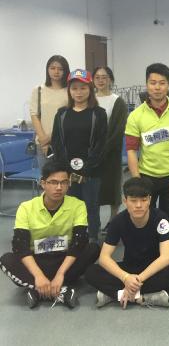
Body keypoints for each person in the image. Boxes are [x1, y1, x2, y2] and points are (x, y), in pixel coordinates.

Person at [0, 161, 100, 309]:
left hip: (64, 260)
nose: (59, 187)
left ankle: (39, 290)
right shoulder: (26, 208)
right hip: (37, 260)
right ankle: (58, 290)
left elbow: (79, 242)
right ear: (43, 183)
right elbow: (20, 246)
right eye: (53, 182)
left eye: (64, 182)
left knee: (93, 248)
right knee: (6, 259)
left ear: (69, 184)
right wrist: (38, 275)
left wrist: (60, 274)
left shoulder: (78, 205)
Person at [125, 63, 169, 258]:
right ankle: (150, 249)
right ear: (147, 84)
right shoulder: (136, 116)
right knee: (143, 216)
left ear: (168, 85)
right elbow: (131, 150)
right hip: (146, 175)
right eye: (153, 83)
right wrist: (137, 180)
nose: (157, 87)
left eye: (162, 83)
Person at [85, 177, 169, 309]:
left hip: (153, 270)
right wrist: (126, 278)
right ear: (125, 201)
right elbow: (104, 258)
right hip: (129, 268)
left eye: (143, 200)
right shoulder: (118, 221)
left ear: (150, 200)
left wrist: (137, 280)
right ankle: (143, 297)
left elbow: (166, 258)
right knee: (91, 271)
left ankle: (116, 295)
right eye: (133, 201)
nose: (138, 205)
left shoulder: (160, 219)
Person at [51, 69, 107, 243]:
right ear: (69, 90)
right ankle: (74, 236)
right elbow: (57, 142)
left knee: (91, 205)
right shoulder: (62, 114)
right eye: (74, 88)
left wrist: (86, 168)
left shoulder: (98, 113)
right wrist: (66, 168)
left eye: (83, 88)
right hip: (67, 171)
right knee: (69, 205)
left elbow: (101, 143)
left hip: (91, 171)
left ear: (90, 89)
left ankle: (93, 237)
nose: (79, 92)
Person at [93, 66, 128, 232]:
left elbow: (118, 129)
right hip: (91, 155)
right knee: (93, 190)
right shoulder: (89, 99)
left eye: (104, 77)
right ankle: (94, 223)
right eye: (97, 77)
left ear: (111, 80)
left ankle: (113, 221)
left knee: (112, 187)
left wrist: (103, 150)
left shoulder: (117, 101)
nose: (101, 80)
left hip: (111, 154)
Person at [30, 55, 70, 169]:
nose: (56, 72)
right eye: (52, 68)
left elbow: (70, 117)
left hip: (65, 143)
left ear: (65, 71)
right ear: (47, 69)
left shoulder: (70, 90)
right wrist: (43, 139)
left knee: (65, 176)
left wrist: (50, 137)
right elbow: (34, 114)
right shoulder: (38, 90)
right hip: (43, 144)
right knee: (47, 177)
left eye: (60, 69)